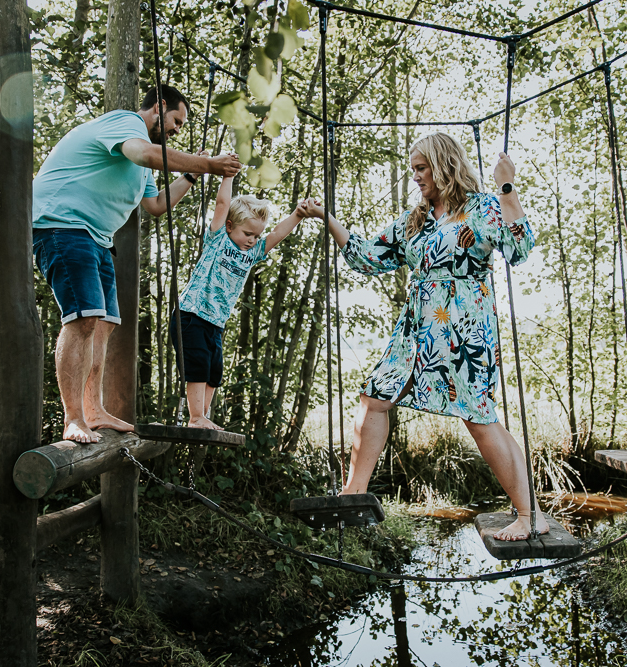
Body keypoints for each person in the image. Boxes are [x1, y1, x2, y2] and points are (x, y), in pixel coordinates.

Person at [304, 132, 548, 541]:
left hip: (465, 327)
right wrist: (327, 217)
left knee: (480, 419)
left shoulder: (483, 208)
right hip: (416, 329)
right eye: (413, 169)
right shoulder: (415, 220)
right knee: (374, 398)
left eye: (421, 168)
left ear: (444, 165)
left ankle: (529, 514)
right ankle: (353, 494)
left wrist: (507, 186)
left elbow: (520, 248)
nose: (415, 177)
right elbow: (368, 257)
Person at [33, 84, 242, 444]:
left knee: (104, 325)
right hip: (61, 224)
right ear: (159, 106)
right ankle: (73, 418)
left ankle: (93, 410)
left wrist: (192, 175)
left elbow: (157, 204)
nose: (178, 129)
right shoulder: (124, 124)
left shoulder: (139, 156)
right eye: (176, 120)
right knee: (83, 320)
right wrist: (207, 163)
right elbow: (145, 154)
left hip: (97, 237)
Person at [170, 174, 312, 430]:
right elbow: (222, 204)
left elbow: (277, 233)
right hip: (191, 315)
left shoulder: (252, 253)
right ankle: (194, 417)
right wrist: (227, 176)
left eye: (256, 236)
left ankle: (201, 416)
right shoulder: (217, 240)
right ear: (229, 226)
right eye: (247, 233)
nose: (252, 240)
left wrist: (298, 215)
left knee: (214, 371)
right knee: (199, 365)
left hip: (215, 323)